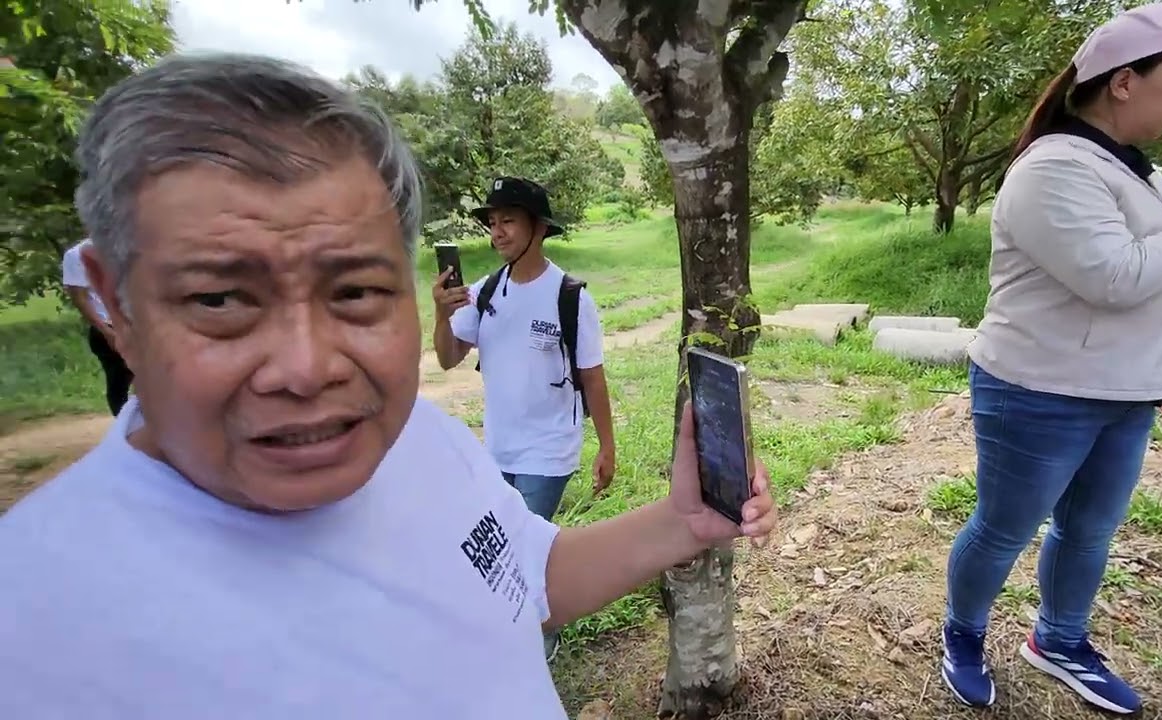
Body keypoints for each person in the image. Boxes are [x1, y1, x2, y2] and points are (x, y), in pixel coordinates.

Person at [0, 52, 778, 720]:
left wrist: (681, 523)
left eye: (356, 292)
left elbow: (530, 578)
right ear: (111, 306)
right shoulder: (37, 634)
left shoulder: (421, 439)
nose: (308, 370)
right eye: (220, 300)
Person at [942, 3, 1162, 715]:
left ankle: (1059, 641)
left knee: (1089, 530)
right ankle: (963, 635)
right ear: (1124, 81)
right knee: (1003, 528)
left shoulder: (1135, 169)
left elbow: (1145, 257)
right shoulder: (1054, 166)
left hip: (1125, 388)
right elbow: (1113, 274)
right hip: (1041, 390)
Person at [432, 177, 617, 661]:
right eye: (492, 223)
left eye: (508, 221)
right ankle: (515, 628)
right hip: (498, 449)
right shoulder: (485, 292)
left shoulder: (571, 297)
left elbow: (592, 378)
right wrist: (439, 312)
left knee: (524, 547)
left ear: (538, 228)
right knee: (501, 551)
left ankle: (539, 634)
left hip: (548, 449)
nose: (497, 232)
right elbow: (448, 358)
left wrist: (607, 447)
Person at [62, 237, 133, 415]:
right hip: (108, 326)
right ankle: (124, 430)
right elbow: (79, 298)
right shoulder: (76, 255)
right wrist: (106, 331)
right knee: (119, 379)